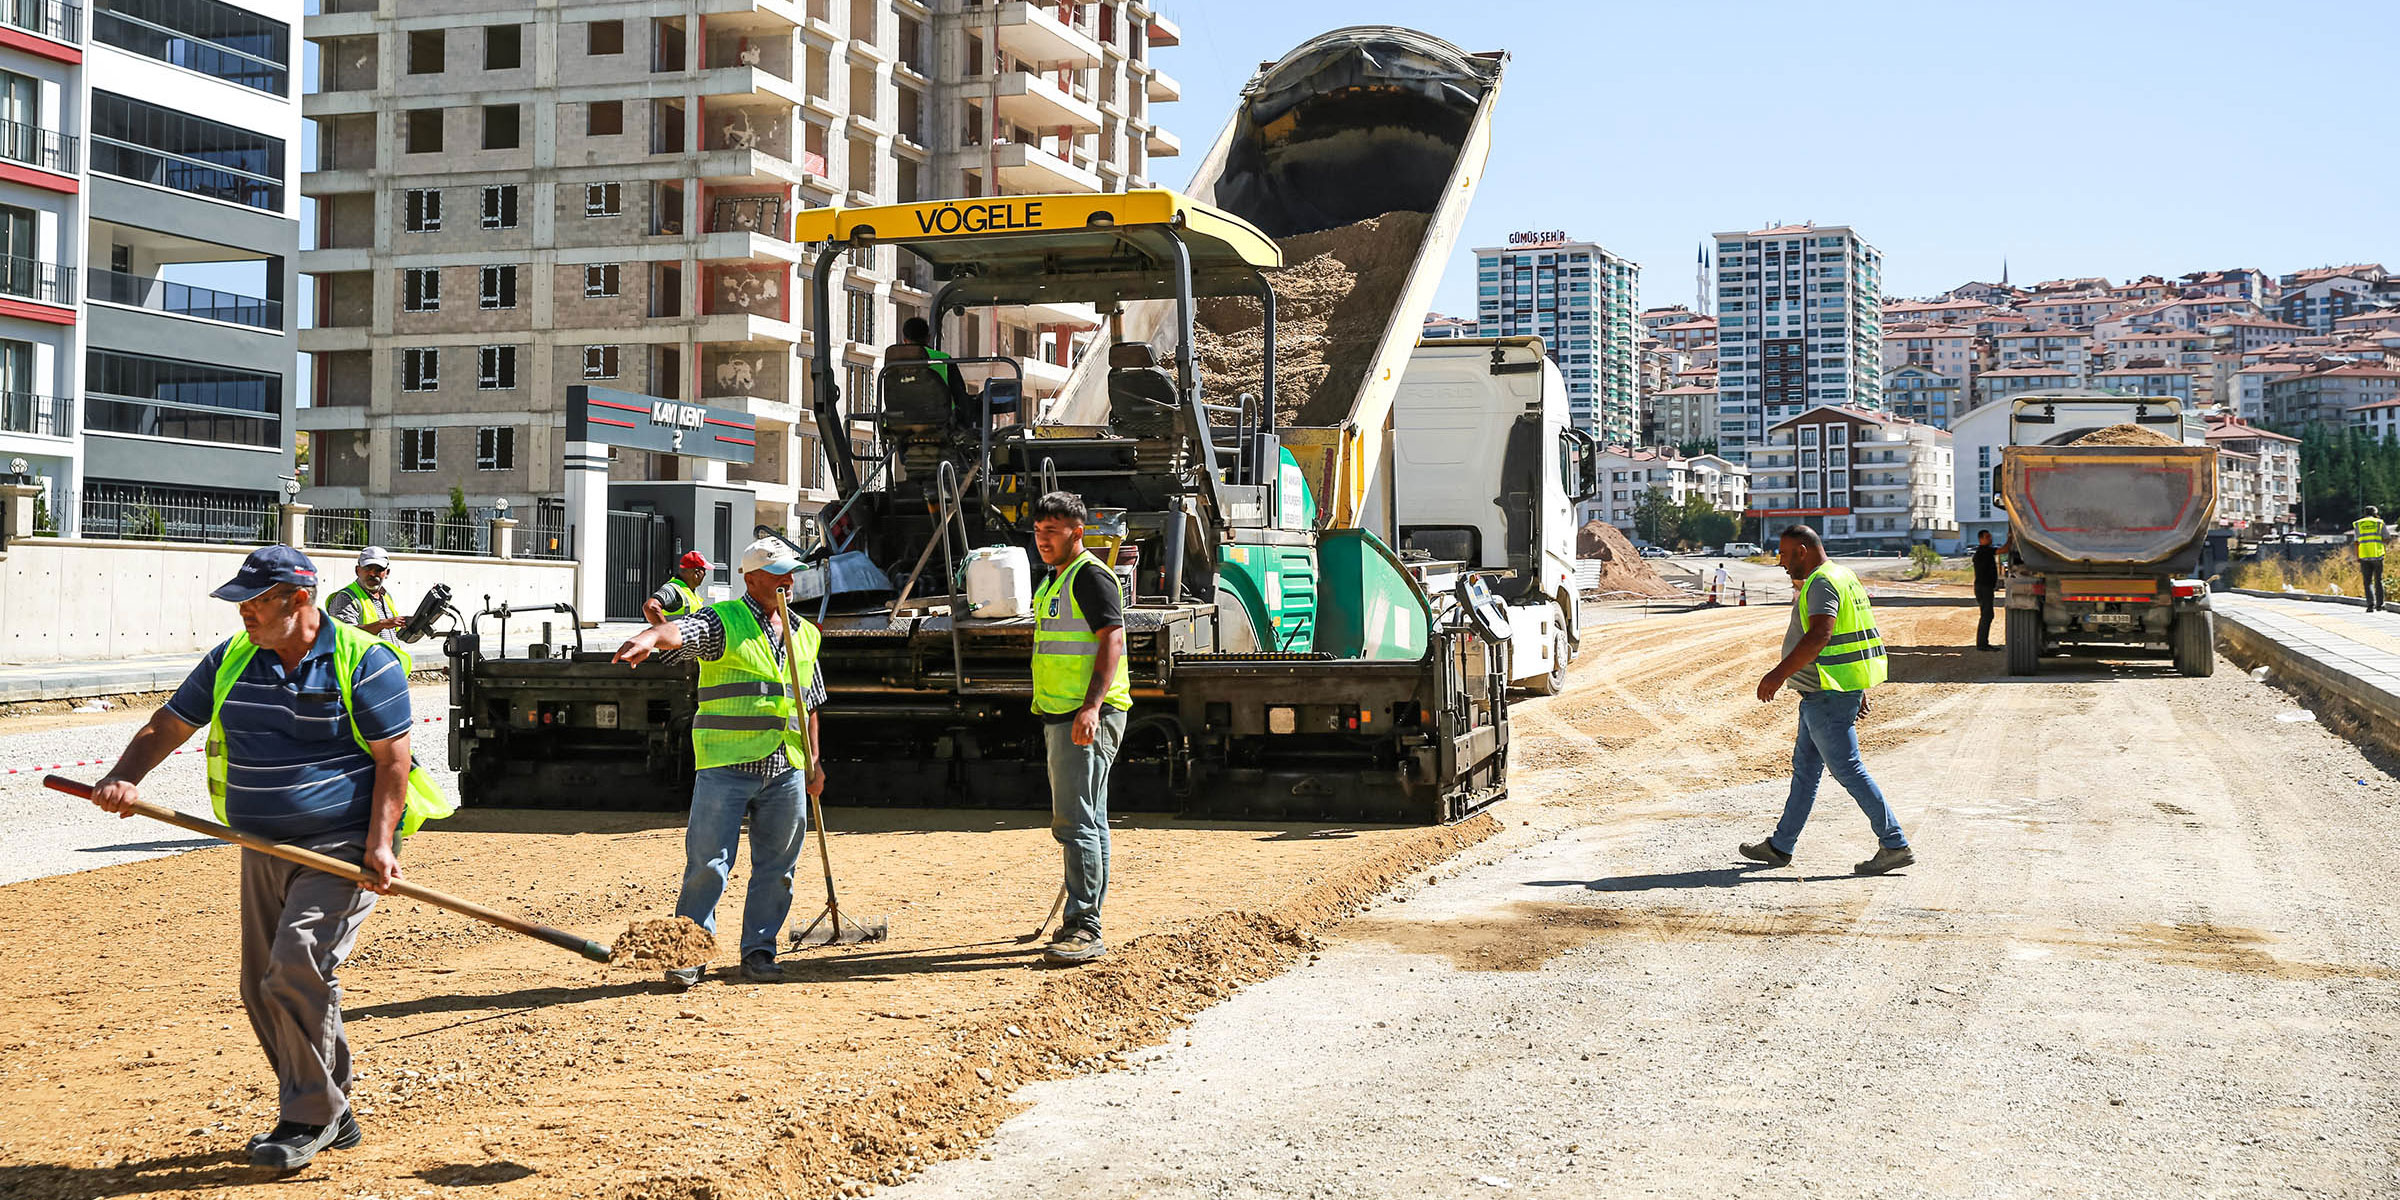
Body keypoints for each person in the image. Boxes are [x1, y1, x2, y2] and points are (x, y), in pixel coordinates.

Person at [86, 546, 448, 1170]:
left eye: (255, 602)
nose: (244, 614)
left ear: (298, 599)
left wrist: (380, 845)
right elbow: (170, 725)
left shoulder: (366, 662)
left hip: (341, 844)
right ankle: (330, 1102)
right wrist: (123, 777)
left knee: (296, 964)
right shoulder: (233, 658)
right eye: (241, 602)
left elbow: (393, 761)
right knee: (263, 985)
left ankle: (308, 1116)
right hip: (260, 844)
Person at [613, 537, 825, 990]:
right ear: (753, 579)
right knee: (708, 864)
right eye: (780, 574)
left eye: (792, 573)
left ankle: (759, 953)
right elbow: (682, 633)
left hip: (785, 767)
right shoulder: (723, 620)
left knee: (778, 869)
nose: (790, 581)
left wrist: (814, 763)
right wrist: (652, 635)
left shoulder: (806, 633)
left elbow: (809, 702)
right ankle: (690, 955)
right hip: (726, 766)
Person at [1741, 524, 1914, 876]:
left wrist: (1777, 674)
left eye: (1786, 555)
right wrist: (1857, 684)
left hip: (1827, 695)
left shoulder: (1821, 582)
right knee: (1805, 772)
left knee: (1848, 769)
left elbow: (1822, 634)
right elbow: (1855, 636)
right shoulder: (1842, 575)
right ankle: (1780, 846)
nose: (1782, 564)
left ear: (1802, 551)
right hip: (1827, 692)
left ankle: (1894, 842)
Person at [1029, 490, 1130, 965]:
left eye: (1052, 531)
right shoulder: (1056, 580)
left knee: (1076, 823)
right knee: (1090, 821)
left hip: (1085, 716)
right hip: (1064, 714)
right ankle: (1086, 920)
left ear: (1077, 532)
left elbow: (1113, 639)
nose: (1042, 539)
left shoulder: (1089, 576)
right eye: (1038, 530)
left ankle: (1085, 927)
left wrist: (1090, 707)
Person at [325, 546, 405, 636]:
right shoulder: (345, 598)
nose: (372, 574)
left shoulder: (386, 596)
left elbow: (396, 634)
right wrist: (381, 624)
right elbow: (345, 634)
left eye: (379, 569)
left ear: (387, 573)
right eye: (367, 568)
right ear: (357, 570)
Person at [644, 550, 711, 625]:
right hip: (677, 636)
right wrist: (665, 631)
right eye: (704, 571)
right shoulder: (673, 589)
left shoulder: (690, 591)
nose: (705, 574)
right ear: (696, 573)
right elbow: (650, 607)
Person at [1972, 530, 2010, 651]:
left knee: (1987, 615)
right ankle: (1982, 644)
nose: (1990, 539)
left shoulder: (1984, 551)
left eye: (1990, 536)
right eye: (1987, 537)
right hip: (1984, 588)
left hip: (1984, 587)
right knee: (1987, 615)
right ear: (1981, 539)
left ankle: (1982, 643)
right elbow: (2003, 550)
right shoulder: (1984, 551)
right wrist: (2011, 538)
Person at [888, 315, 954, 384]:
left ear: (905, 340)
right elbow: (959, 392)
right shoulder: (945, 359)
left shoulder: (894, 360)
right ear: (928, 338)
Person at [2355, 505, 2386, 613]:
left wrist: (2357, 555)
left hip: (2364, 556)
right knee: (2378, 580)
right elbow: (2386, 538)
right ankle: (2380, 605)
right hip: (2377, 555)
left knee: (2367, 582)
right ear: (2375, 513)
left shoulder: (2358, 524)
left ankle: (2370, 606)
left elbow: (2356, 542)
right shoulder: (2379, 523)